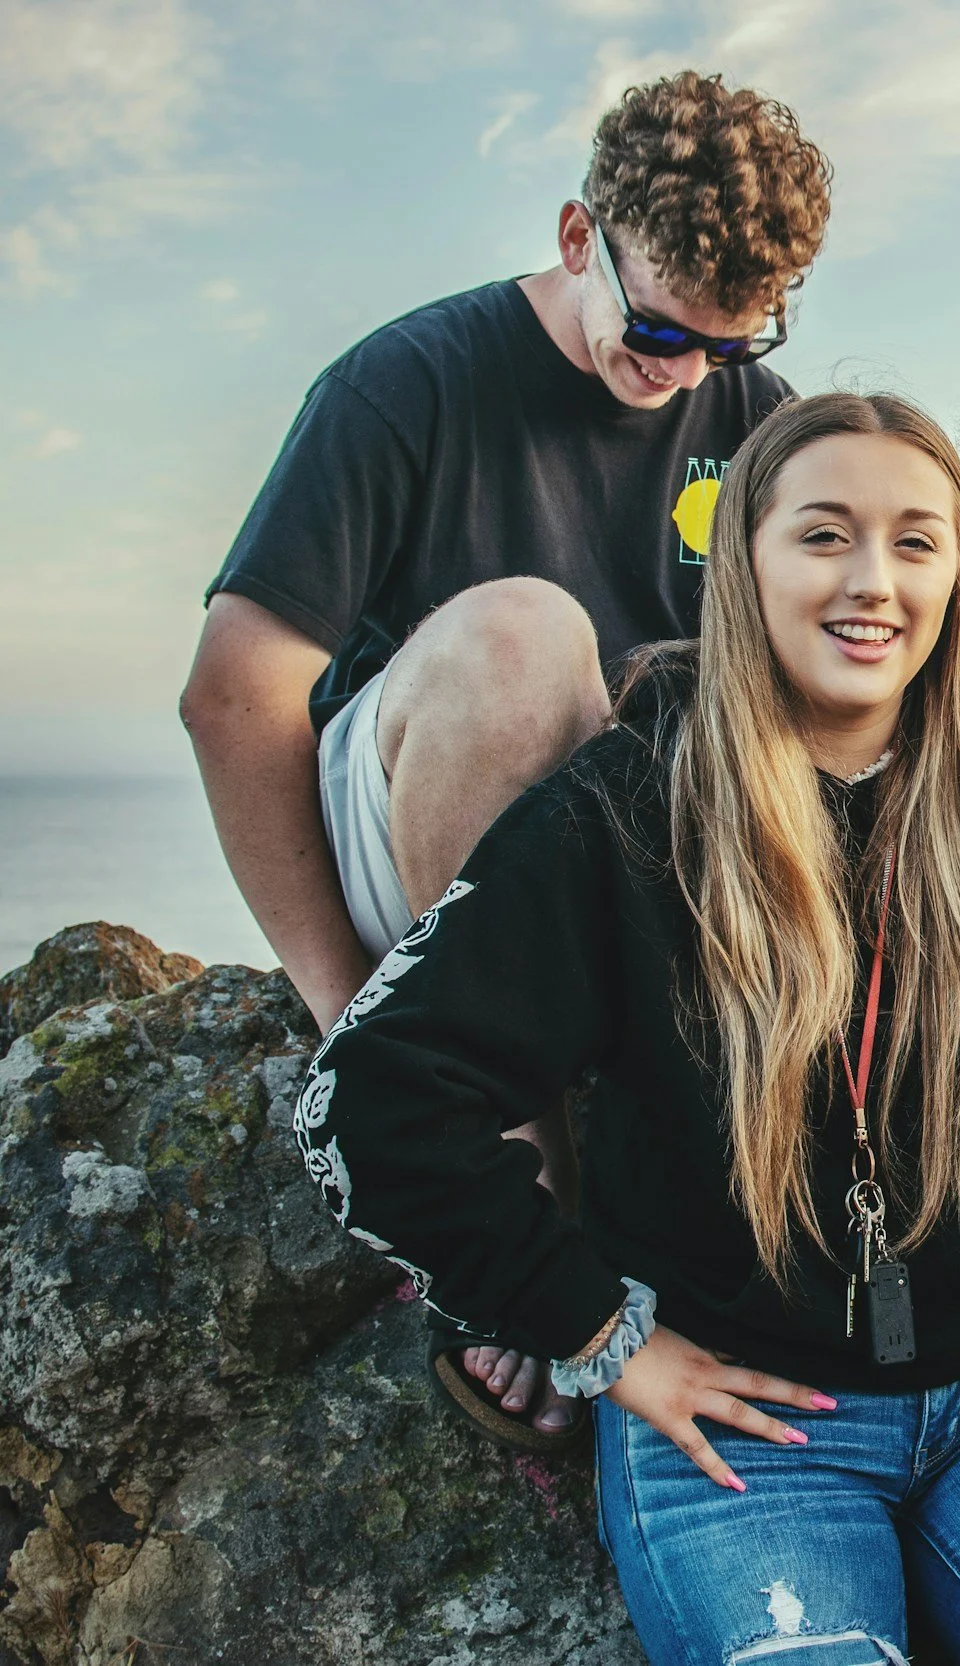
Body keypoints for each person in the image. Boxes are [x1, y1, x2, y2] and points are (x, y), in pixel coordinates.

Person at [287, 390, 960, 1664]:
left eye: (917, 542)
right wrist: (603, 1335)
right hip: (744, 1422)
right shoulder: (628, 808)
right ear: (746, 562)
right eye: (824, 535)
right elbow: (374, 1096)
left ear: (956, 576)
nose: (872, 580)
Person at [181, 71, 829, 1448]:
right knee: (529, 636)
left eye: (727, 342)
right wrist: (347, 1008)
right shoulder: (407, 381)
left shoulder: (752, 410)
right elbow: (234, 697)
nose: (684, 374)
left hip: (625, 861)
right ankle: (515, 1186)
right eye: (658, 329)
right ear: (579, 234)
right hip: (423, 824)